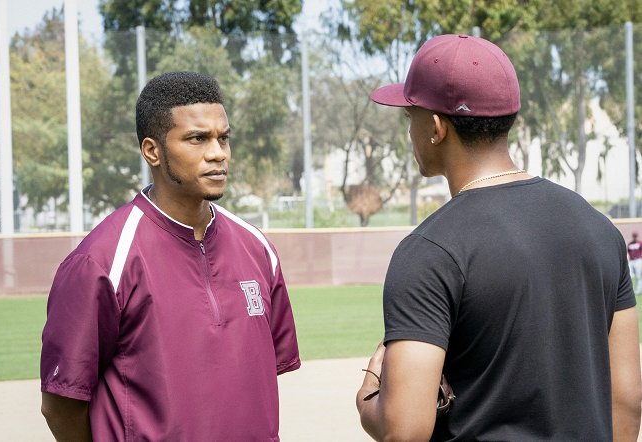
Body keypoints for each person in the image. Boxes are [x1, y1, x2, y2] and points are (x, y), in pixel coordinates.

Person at [356, 34, 641, 441]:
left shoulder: (430, 251)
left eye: (411, 116)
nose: (410, 128)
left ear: (436, 128)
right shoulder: (599, 229)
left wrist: (368, 395)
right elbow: (627, 402)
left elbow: (404, 432)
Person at [40, 71, 300, 441]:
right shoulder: (100, 262)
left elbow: (254, 380)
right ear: (152, 150)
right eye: (197, 138)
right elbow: (61, 404)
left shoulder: (258, 248)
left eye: (223, 138)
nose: (218, 153)